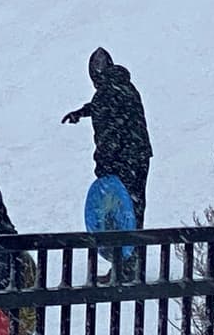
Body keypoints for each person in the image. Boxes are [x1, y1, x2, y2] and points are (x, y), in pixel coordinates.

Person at [61, 47, 152, 229]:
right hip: (139, 155)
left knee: (120, 209)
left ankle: (124, 250)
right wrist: (81, 112)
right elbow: (106, 107)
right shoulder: (124, 86)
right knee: (134, 206)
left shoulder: (105, 94)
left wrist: (103, 165)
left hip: (122, 160)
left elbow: (109, 134)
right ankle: (135, 245)